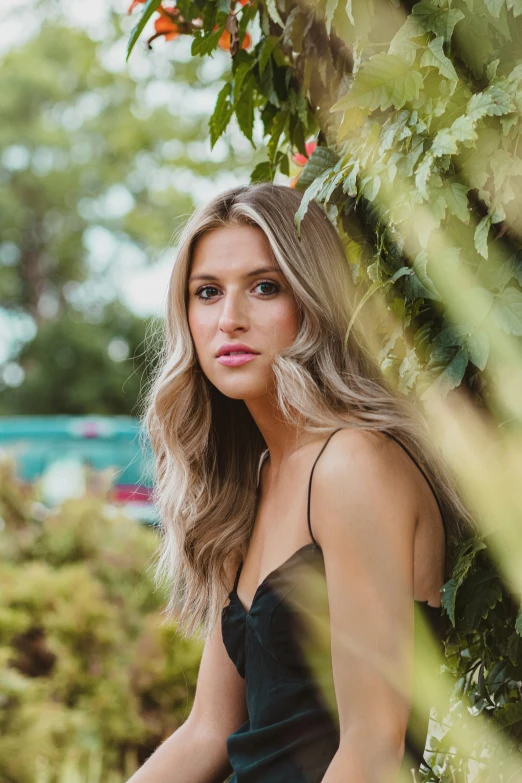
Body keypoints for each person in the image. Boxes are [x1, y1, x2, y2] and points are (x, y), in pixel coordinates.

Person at [130, 183, 474, 783]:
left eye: (265, 287)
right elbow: (207, 731)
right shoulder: (256, 479)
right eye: (207, 293)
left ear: (313, 302)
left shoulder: (354, 464)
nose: (229, 320)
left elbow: (374, 748)